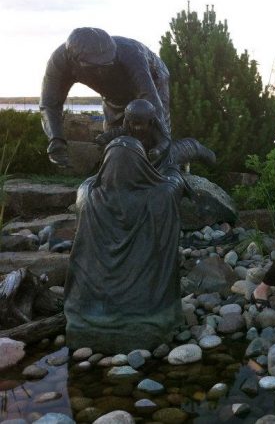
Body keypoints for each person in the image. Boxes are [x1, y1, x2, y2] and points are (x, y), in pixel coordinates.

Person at [64, 136, 185, 353]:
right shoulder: (162, 196)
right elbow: (175, 179)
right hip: (145, 309)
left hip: (89, 312)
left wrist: (113, 165)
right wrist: (165, 166)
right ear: (142, 165)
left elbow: (93, 178)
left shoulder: (87, 194)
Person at [40, 27, 171, 166]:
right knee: (114, 140)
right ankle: (115, 174)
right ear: (76, 61)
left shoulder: (131, 53)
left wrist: (162, 139)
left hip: (153, 80)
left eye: (108, 63)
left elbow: (149, 95)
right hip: (112, 95)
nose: (104, 69)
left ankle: (162, 171)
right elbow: (49, 103)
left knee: (152, 130)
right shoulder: (59, 62)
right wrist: (56, 140)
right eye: (97, 66)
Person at [94, 99, 216, 173]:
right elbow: (120, 131)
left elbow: (165, 142)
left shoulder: (155, 128)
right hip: (142, 157)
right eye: (133, 123)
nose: (135, 127)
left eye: (140, 124)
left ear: (150, 122)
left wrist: (158, 150)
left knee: (189, 149)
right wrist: (105, 136)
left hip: (160, 158)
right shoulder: (129, 123)